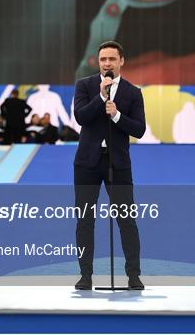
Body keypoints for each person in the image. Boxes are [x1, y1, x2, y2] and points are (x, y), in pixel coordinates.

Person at [73, 40, 146, 290]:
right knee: (84, 220)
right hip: (87, 164)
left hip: (118, 164)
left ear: (121, 61)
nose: (107, 64)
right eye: (103, 59)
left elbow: (140, 129)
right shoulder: (85, 85)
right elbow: (80, 116)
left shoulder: (133, 92)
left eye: (111, 59)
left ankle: (134, 276)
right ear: (98, 61)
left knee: (126, 220)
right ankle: (85, 276)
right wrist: (100, 97)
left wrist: (116, 115)